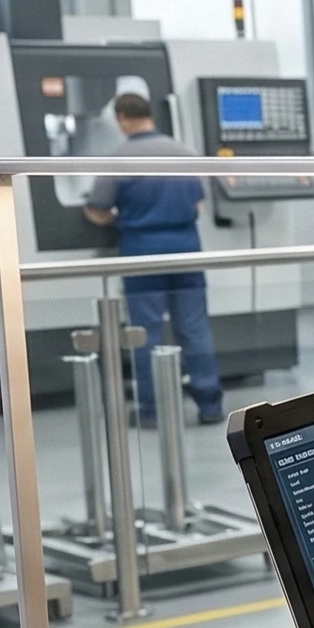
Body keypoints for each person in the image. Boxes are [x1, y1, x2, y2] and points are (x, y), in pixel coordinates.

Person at [83, 92, 221, 427]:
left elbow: (97, 208)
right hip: (186, 246)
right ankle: (210, 406)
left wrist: (115, 219)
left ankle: (151, 410)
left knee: (146, 331)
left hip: (142, 250)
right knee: (193, 326)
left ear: (122, 118)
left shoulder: (119, 158)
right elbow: (197, 205)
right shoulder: (185, 152)